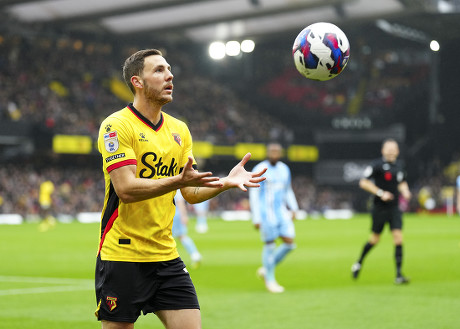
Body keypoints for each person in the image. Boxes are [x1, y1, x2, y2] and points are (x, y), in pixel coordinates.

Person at [94, 48, 266, 329]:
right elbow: (125, 189)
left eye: (169, 69)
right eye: (159, 70)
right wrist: (178, 181)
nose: (170, 75)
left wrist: (226, 183)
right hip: (123, 256)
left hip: (166, 256)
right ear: (137, 82)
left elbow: (190, 192)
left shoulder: (179, 130)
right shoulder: (116, 125)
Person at [351, 138, 412, 284]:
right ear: (383, 150)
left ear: (397, 151)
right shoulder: (376, 165)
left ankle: (398, 275)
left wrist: (406, 191)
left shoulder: (400, 166)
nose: (391, 151)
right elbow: (363, 182)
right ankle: (358, 262)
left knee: (398, 238)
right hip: (379, 208)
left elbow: (402, 181)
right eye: (388, 149)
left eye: (394, 149)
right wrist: (380, 193)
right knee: (374, 240)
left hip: (394, 207)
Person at [249, 143, 299, 293]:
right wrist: (256, 217)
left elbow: (288, 190)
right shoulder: (259, 169)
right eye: (272, 151)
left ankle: (266, 269)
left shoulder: (284, 169)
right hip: (266, 214)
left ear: (281, 153)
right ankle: (270, 280)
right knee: (270, 245)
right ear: (267, 153)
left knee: (290, 243)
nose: (274, 154)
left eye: (277, 151)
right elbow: (254, 194)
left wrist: (294, 207)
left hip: (282, 213)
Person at [172, 190, 202, 269]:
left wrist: (184, 216)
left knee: (181, 236)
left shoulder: (175, 187)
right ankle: (195, 255)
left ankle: (195, 255)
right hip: (174, 214)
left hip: (174, 215)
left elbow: (180, 202)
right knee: (180, 237)